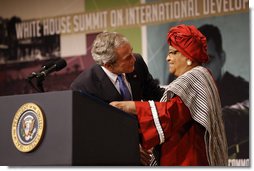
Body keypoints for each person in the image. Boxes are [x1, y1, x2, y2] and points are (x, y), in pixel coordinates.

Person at [110, 24, 228, 166]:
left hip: (187, 160)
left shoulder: (194, 78)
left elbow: (170, 114)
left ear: (188, 56)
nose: (168, 58)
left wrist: (128, 106)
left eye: (173, 52)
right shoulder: (201, 77)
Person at [70, 31, 164, 165]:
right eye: (127, 58)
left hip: (147, 147)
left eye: (131, 52)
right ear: (108, 65)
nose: (134, 59)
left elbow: (156, 95)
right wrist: (126, 147)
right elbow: (91, 132)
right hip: (112, 157)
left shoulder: (137, 64)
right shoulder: (84, 86)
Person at [198, 24, 249, 160]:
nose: (202, 69)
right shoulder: (187, 93)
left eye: (209, 60)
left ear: (222, 57)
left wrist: (224, 116)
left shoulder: (241, 89)